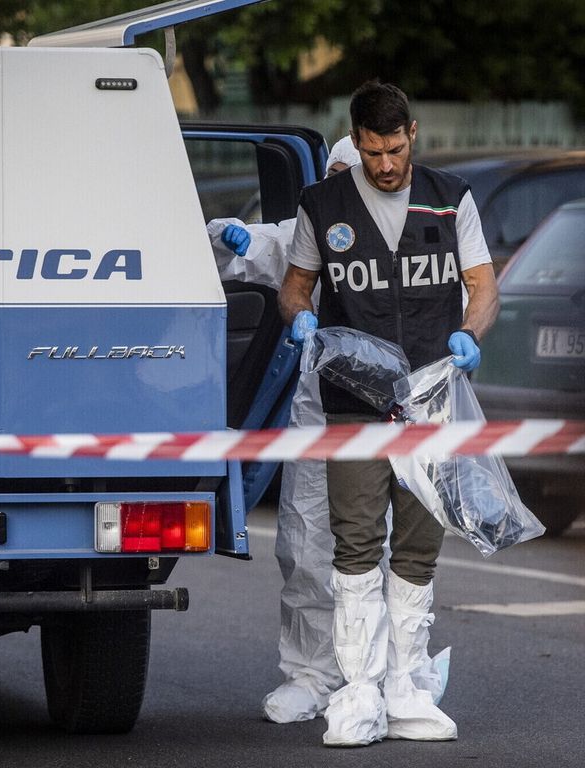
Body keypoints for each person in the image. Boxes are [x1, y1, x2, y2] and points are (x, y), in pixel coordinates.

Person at [277, 80, 499, 747]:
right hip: (354, 398)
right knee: (355, 542)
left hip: (432, 392)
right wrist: (300, 318)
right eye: (372, 150)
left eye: (394, 148)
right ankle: (358, 692)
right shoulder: (323, 204)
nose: (383, 164)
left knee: (420, 545)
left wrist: (471, 333)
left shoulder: (449, 196)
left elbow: (483, 286)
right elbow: (295, 287)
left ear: (413, 134)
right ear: (357, 139)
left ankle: (406, 688)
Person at [207, 135, 450, 726]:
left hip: (405, 406)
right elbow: (232, 245)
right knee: (309, 543)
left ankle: (402, 677)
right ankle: (313, 675)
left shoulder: (412, 230)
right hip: (326, 413)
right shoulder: (309, 228)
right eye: (339, 173)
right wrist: (227, 233)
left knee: (404, 550)